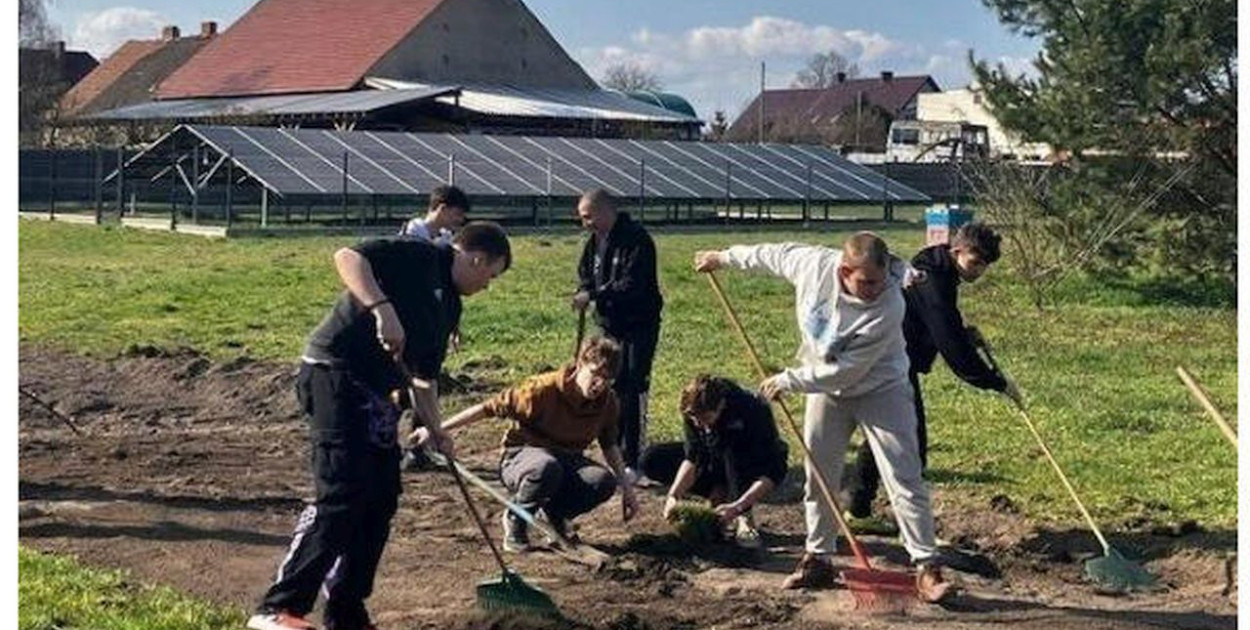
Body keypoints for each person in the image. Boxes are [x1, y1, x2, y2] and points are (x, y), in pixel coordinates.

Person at [247, 222, 512, 630]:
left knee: (381, 496)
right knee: (343, 491)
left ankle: (346, 610)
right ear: (477, 259)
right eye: (490, 276)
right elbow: (347, 257)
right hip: (334, 374)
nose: (487, 286)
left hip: (376, 395)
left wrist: (436, 430)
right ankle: (278, 608)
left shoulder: (451, 306)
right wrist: (381, 310)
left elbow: (424, 378)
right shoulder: (420, 255)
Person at [693, 231, 952, 603]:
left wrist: (789, 379)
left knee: (902, 473)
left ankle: (927, 566)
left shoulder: (891, 302)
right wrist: (722, 256)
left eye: (880, 281)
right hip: (823, 390)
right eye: (866, 282)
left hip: (881, 388)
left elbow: (847, 372)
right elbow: (770, 252)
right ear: (844, 270)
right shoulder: (812, 264)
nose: (875, 289)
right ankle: (819, 557)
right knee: (819, 473)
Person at [843, 222, 1021, 534]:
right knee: (909, 442)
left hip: (893, 357)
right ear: (957, 251)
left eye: (985, 265)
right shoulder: (933, 279)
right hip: (887, 359)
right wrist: (995, 381)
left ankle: (857, 510)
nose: (979, 271)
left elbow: (937, 322)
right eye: (975, 262)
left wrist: (965, 334)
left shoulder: (939, 268)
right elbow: (951, 344)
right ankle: (913, 527)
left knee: (892, 435)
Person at [417, 335, 639, 552]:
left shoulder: (608, 403)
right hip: (523, 456)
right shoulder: (542, 389)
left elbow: (610, 446)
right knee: (546, 468)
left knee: (602, 481)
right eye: (595, 374)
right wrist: (436, 429)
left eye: (607, 379)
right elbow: (488, 408)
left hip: (568, 459)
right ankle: (516, 518)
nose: (599, 384)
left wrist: (627, 489)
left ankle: (555, 515)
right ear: (580, 364)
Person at [572, 189, 662, 480]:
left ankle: (634, 459)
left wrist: (595, 294)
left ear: (604, 211)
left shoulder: (637, 240)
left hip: (638, 325)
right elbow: (585, 272)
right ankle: (613, 449)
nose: (585, 223)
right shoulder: (594, 241)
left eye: (587, 217)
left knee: (633, 386)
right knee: (609, 383)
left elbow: (632, 284)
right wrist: (584, 291)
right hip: (609, 325)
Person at [639, 374, 789, 549]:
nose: (701, 426)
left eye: (706, 420)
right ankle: (718, 492)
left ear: (721, 405)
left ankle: (745, 518)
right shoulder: (694, 413)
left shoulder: (754, 410)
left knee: (732, 450)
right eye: (696, 422)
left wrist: (739, 507)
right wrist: (674, 495)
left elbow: (773, 469)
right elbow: (694, 456)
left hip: (748, 467)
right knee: (651, 459)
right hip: (714, 460)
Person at [397, 184, 469, 473]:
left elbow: (449, 288)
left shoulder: (447, 241)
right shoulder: (411, 236)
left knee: (427, 382)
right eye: (457, 213)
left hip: (432, 322)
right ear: (440, 207)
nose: (459, 220)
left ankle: (419, 446)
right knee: (401, 387)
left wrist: (452, 324)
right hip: (405, 322)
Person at [397, 184, 469, 245]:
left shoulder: (446, 239)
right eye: (458, 214)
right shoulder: (411, 234)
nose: (461, 220)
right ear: (442, 209)